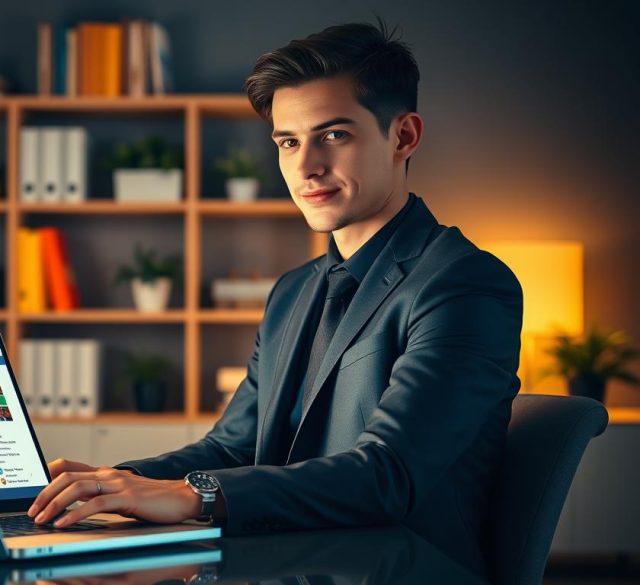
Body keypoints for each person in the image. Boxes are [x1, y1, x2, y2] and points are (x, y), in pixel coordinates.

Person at [28, 20, 522, 577]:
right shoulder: (293, 292)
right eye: (288, 142)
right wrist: (105, 484)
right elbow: (232, 449)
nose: (306, 166)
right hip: (285, 564)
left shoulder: (465, 284)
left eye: (334, 135)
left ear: (403, 136)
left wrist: (196, 497)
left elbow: (389, 475)